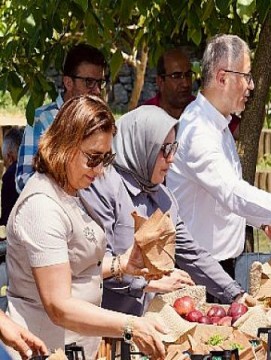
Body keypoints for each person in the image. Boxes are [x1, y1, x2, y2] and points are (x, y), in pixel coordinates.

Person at [5, 95, 166, 360]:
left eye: (106, 158)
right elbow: (59, 306)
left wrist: (120, 265)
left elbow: (68, 266)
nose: (100, 169)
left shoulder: (70, 190)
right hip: (42, 351)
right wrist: (129, 325)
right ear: (65, 145)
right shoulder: (41, 207)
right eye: (93, 158)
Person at [167, 34, 271, 278]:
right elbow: (233, 193)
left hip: (215, 266)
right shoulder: (198, 131)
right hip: (195, 272)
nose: (252, 86)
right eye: (246, 76)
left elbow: (225, 198)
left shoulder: (217, 123)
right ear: (222, 77)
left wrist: (263, 222)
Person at [81, 105, 252, 315]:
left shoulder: (162, 196)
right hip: (101, 329)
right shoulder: (100, 187)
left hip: (144, 327)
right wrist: (147, 282)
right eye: (163, 149)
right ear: (141, 146)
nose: (170, 158)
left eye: (173, 148)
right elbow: (94, 265)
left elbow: (192, 253)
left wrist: (236, 294)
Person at [16, 43, 107, 192]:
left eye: (100, 83)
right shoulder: (42, 119)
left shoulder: (101, 122)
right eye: (89, 82)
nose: (97, 90)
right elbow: (24, 181)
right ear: (68, 83)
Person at [142, 48, 196, 119]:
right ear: (160, 82)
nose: (186, 84)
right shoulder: (145, 116)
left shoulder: (201, 111)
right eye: (176, 76)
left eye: (188, 75)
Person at [1, 127, 23, 228]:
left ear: (10, 157)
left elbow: (7, 218)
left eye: (4, 160)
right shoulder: (38, 169)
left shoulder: (10, 175)